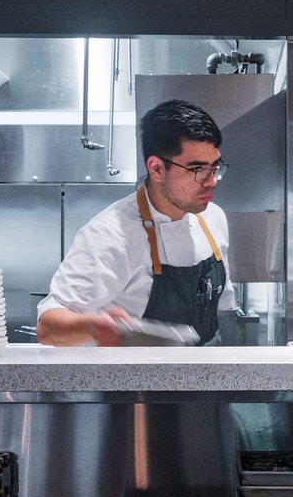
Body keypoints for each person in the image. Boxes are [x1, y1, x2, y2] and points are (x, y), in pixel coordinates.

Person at [37, 99, 230, 346]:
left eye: (215, 168)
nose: (211, 181)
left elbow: (224, 308)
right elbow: (47, 326)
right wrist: (94, 326)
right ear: (157, 169)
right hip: (139, 383)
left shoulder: (213, 218)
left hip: (207, 378)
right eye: (198, 170)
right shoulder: (110, 236)